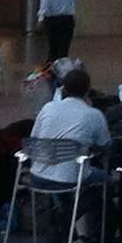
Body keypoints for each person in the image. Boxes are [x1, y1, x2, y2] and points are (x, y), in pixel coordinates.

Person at [28, 66, 113, 216]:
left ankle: (61, 214)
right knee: (106, 182)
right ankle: (69, 219)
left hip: (38, 175)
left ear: (64, 89)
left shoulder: (48, 108)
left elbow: (34, 139)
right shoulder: (93, 114)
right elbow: (105, 146)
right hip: (70, 178)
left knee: (67, 173)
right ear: (88, 91)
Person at [36, 0, 80, 67]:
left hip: (51, 19)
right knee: (64, 47)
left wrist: (40, 19)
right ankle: (63, 69)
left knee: (52, 46)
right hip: (67, 19)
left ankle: (51, 68)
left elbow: (44, 4)